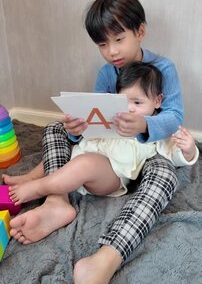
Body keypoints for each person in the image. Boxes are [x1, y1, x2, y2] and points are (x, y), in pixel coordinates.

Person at [2, 0, 185, 284]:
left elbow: (175, 116)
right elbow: (97, 119)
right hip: (105, 155)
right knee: (54, 128)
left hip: (145, 152)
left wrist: (143, 123)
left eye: (119, 39)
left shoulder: (163, 69)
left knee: (166, 176)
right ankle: (56, 200)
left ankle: (106, 257)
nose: (112, 51)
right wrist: (78, 129)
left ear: (140, 32)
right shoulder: (106, 73)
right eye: (102, 44)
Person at [8, 62, 199, 207]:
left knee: (84, 164)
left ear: (157, 101)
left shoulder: (156, 127)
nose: (129, 109)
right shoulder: (113, 114)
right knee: (70, 150)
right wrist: (79, 125)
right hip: (84, 155)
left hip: (110, 175)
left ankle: (38, 188)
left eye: (138, 103)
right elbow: (87, 134)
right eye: (124, 101)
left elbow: (173, 153)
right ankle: (32, 176)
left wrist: (188, 149)